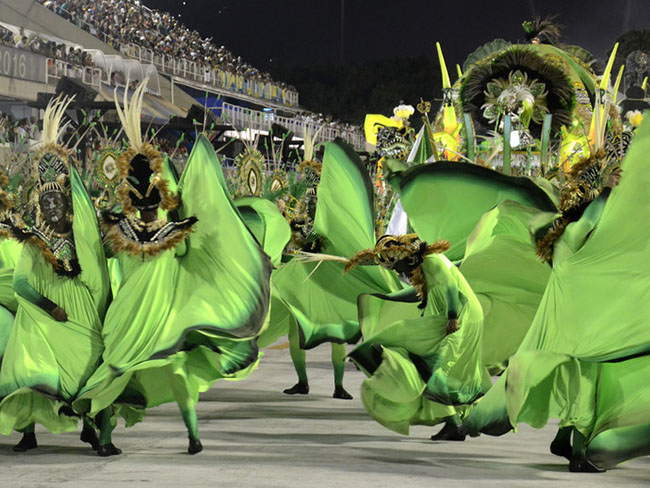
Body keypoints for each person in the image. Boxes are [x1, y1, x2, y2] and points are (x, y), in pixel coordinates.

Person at [74, 81, 272, 454]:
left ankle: (174, 437)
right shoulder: (143, 232)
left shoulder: (141, 231)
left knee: (126, 373)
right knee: (122, 374)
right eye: (146, 205)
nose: (149, 210)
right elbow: (102, 262)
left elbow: (111, 261)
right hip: (137, 319)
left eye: (152, 205)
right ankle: (111, 434)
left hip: (154, 320)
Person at [465, 119, 650, 472]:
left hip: (575, 319)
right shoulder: (587, 223)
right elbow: (590, 260)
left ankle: (568, 438)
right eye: (615, 176)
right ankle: (581, 452)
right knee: (585, 384)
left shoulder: (569, 231)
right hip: (583, 323)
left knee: (578, 382)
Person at [0, 95, 113, 454]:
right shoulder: (34, 243)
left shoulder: (84, 241)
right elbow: (19, 284)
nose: (51, 207)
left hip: (83, 319)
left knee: (95, 372)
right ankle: (28, 432)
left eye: (57, 202)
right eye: (45, 202)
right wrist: (50, 308)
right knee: (31, 370)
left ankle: (98, 432)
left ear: (67, 205)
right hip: (49, 318)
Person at [347, 233, 489, 439]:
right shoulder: (425, 263)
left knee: (435, 367)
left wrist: (452, 316)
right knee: (445, 368)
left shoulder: (431, 261)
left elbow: (449, 286)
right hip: (453, 315)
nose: (398, 271)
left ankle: (455, 425)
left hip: (461, 316)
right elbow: (436, 289)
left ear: (405, 256)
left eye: (397, 267)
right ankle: (468, 421)